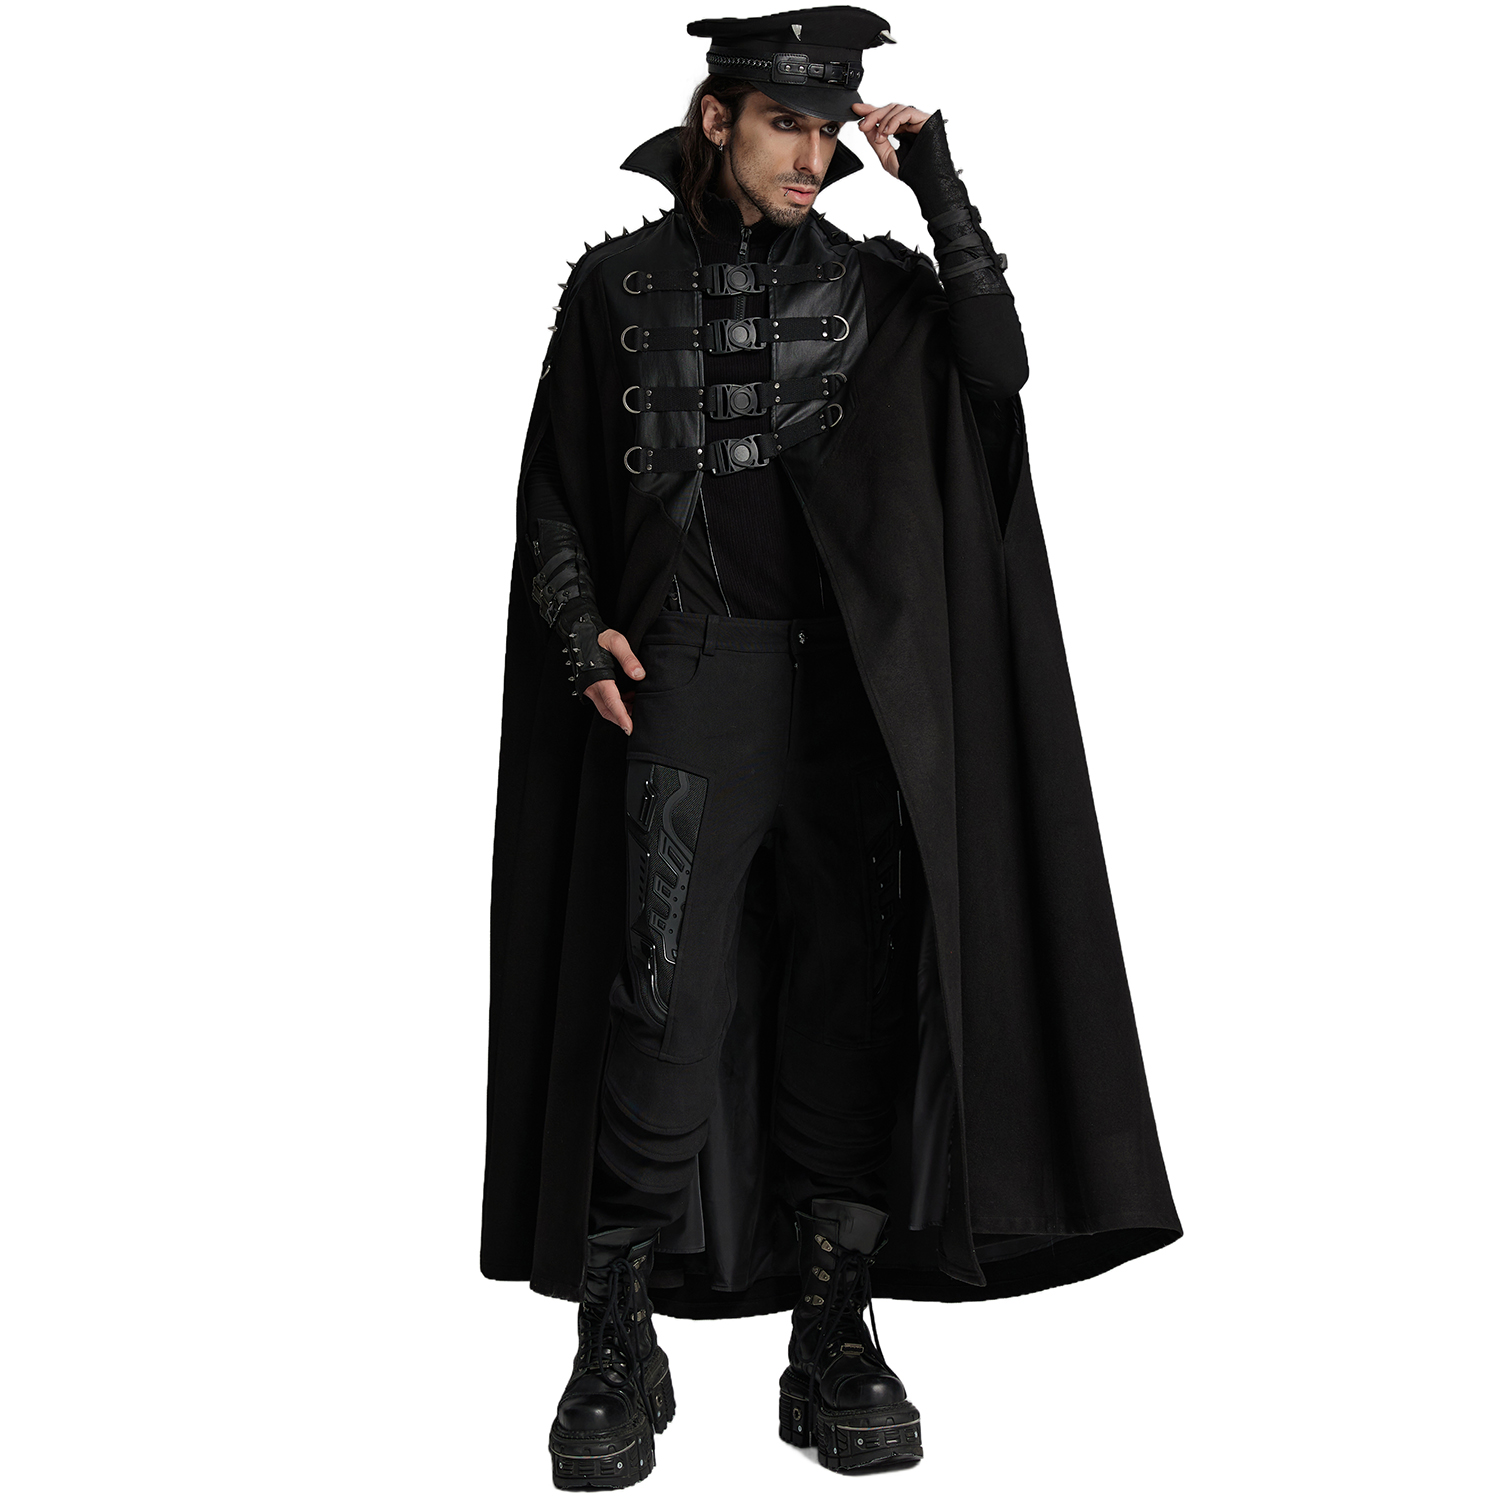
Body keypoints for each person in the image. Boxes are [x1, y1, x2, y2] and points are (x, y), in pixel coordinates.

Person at [482, 7, 1183, 1487]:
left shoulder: (876, 289)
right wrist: (576, 627)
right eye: (787, 123)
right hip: (693, 674)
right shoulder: (616, 286)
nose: (813, 154)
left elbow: (998, 368)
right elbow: (552, 487)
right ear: (717, 117)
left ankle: (833, 1330)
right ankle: (616, 1335)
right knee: (662, 996)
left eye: (828, 126)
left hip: (858, 695)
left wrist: (941, 190)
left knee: (846, 999)